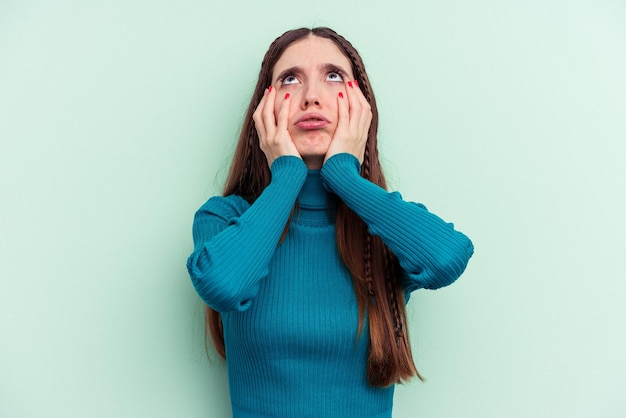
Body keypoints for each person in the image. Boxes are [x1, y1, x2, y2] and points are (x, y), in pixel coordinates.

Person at [186, 27, 474, 418]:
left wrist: (344, 175)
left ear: (360, 106)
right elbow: (223, 284)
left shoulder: (381, 229)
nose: (312, 97)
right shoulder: (226, 218)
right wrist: (288, 173)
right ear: (263, 110)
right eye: (290, 79)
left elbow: (447, 257)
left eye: (333, 76)